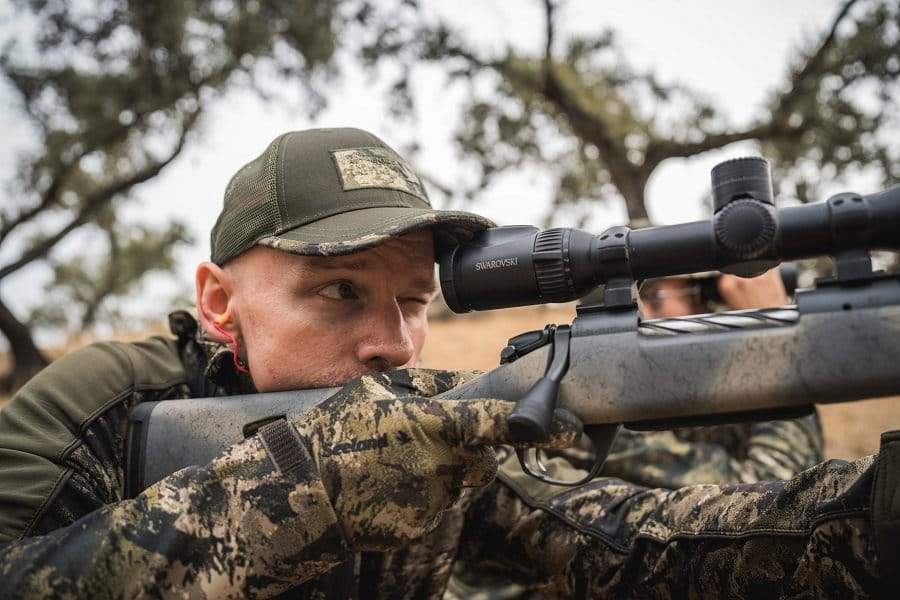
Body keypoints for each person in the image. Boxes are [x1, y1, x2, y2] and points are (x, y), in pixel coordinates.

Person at [0, 128, 895, 598]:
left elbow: (637, 549)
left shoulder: (426, 431)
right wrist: (310, 486)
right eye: (340, 291)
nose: (393, 344)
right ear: (219, 301)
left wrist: (872, 514)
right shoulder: (102, 408)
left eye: (414, 300)